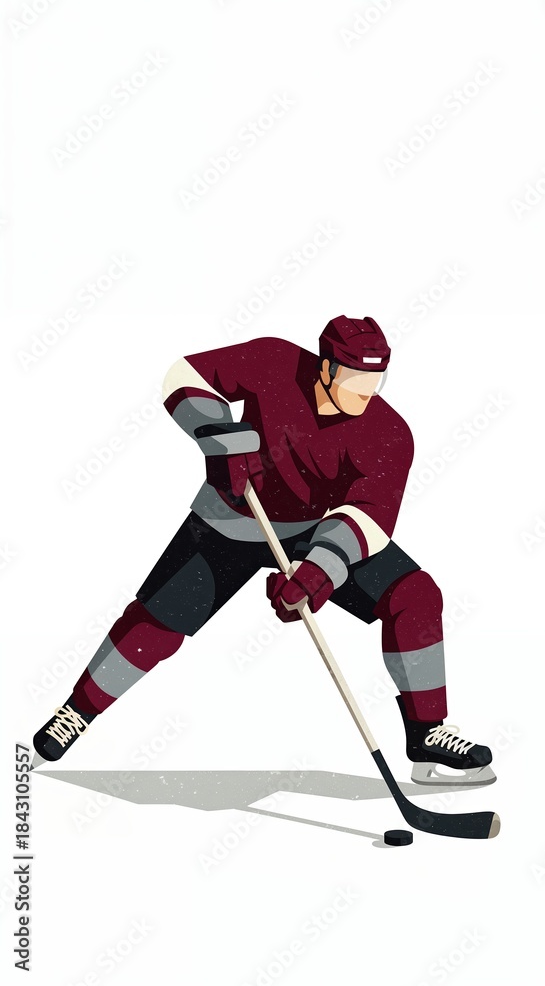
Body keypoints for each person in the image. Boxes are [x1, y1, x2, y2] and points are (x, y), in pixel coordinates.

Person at [32, 315, 495, 785]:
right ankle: (77, 711)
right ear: (326, 368)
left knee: (414, 595)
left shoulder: (389, 433)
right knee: (156, 624)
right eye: (355, 378)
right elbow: (184, 374)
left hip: (312, 530)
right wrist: (216, 432)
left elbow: (369, 516)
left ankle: (427, 734)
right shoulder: (274, 360)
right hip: (228, 520)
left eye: (377, 379)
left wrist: (318, 572)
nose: (366, 392)